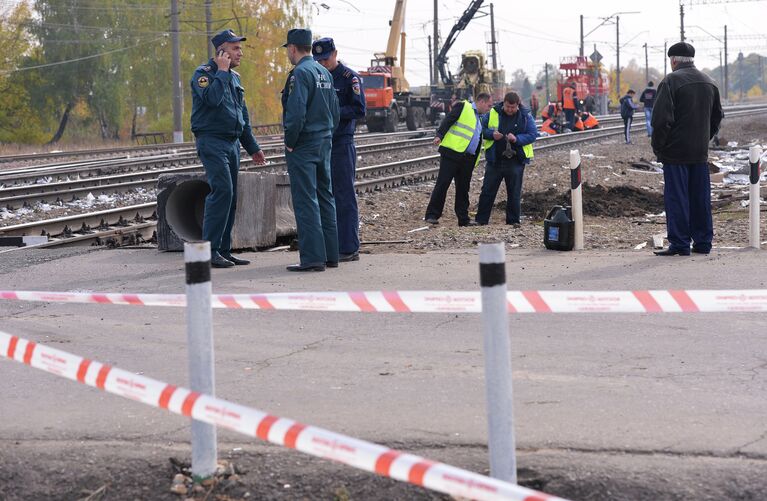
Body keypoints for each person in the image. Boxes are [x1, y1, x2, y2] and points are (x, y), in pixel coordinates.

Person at [190, 29, 267, 268]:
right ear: (222, 51)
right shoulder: (203, 74)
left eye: (240, 48)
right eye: (235, 48)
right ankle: (208, 252)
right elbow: (212, 99)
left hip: (232, 143)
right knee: (221, 191)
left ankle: (223, 250)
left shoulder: (235, 78)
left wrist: (252, 147)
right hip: (211, 141)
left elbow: (241, 117)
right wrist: (222, 72)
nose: (240, 53)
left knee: (231, 196)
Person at [651, 42, 723, 256]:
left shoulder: (671, 80)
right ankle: (703, 243)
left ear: (673, 60)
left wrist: (659, 148)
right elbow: (717, 117)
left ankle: (680, 244)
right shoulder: (709, 81)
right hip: (699, 152)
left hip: (675, 153)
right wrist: (704, 139)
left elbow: (661, 120)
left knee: (677, 198)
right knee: (700, 198)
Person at [281, 28, 340, 271]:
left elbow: (296, 113)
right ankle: (330, 255)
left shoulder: (300, 73)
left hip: (304, 144)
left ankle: (312, 258)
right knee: (325, 196)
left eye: (288, 50)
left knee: (306, 200)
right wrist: (326, 134)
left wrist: (290, 140)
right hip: (324, 140)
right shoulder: (324, 72)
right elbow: (335, 112)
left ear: (293, 48)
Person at [312, 37, 366, 263]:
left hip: (341, 142)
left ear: (335, 54)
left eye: (325, 59)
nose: (322, 63)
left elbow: (359, 109)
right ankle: (331, 245)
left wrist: (333, 112)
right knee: (325, 195)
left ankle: (349, 247)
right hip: (322, 142)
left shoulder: (348, 78)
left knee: (344, 195)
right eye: (319, 60)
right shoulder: (315, 75)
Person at [424, 93, 493, 226]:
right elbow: (448, 120)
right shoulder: (463, 106)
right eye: (489, 106)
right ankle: (432, 214)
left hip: (467, 158)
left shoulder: (479, 118)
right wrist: (440, 135)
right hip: (452, 153)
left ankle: (463, 219)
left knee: (463, 189)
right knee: (443, 184)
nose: (489, 109)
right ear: (482, 102)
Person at [475, 92, 537, 226]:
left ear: (518, 105)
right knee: (487, 191)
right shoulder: (493, 113)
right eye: (507, 106)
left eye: (513, 107)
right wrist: (491, 134)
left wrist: (517, 139)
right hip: (495, 160)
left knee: (514, 193)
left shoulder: (525, 116)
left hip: (515, 161)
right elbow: (481, 129)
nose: (510, 110)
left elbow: (533, 134)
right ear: (503, 103)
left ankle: (513, 221)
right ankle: (481, 220)